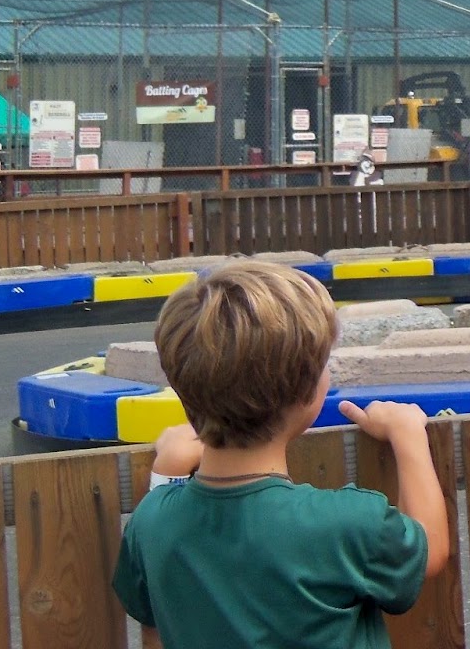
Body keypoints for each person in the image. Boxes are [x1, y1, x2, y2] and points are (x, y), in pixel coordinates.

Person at [112, 260, 449, 648]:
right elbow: (429, 548)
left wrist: (167, 475)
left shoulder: (152, 521)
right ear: (307, 394)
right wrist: (408, 435)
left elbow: (153, 617)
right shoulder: (346, 522)